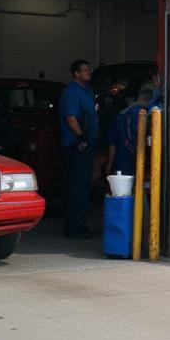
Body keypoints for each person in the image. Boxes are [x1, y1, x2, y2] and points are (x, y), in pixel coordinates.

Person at [59, 59, 99, 239]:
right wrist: (81, 136)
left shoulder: (87, 91)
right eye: (84, 70)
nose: (88, 72)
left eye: (88, 69)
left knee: (83, 186)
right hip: (77, 146)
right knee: (77, 186)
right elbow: (70, 117)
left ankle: (80, 225)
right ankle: (74, 227)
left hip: (87, 144)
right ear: (76, 74)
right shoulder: (72, 92)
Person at [106, 84, 157, 178]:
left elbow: (113, 143)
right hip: (140, 164)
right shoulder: (147, 115)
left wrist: (110, 163)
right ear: (149, 100)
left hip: (120, 165)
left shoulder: (120, 116)